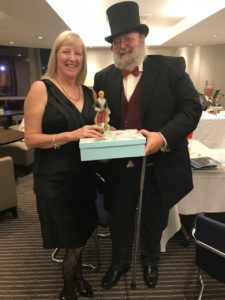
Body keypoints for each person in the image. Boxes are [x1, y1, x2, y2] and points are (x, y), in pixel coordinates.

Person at [93, 1, 202, 290]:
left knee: (154, 219)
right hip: (118, 167)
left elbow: (191, 109)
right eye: (116, 42)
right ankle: (120, 262)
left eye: (127, 39)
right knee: (119, 219)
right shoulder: (102, 77)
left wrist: (162, 137)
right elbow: (99, 119)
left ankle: (150, 260)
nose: (122, 46)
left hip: (159, 165)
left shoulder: (171, 68)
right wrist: (102, 134)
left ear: (142, 39)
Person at [24, 30, 103, 300]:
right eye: (66, 51)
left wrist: (109, 133)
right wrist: (71, 135)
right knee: (72, 237)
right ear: (55, 55)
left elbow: (95, 129)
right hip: (55, 179)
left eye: (78, 53)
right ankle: (67, 291)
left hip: (84, 176)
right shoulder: (41, 88)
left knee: (81, 233)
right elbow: (31, 138)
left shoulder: (89, 91)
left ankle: (78, 278)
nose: (73, 58)